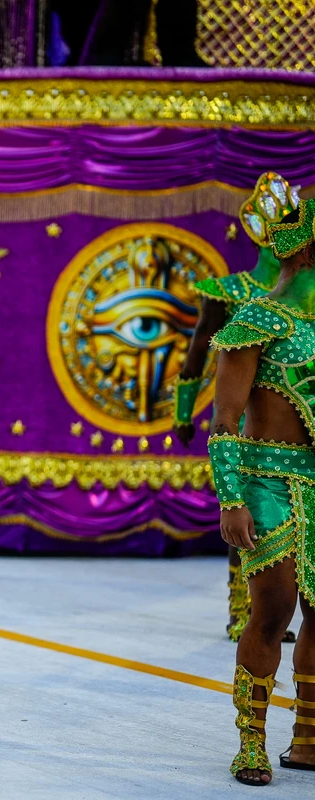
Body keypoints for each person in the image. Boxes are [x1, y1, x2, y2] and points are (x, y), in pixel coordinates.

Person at [208, 199, 315, 786]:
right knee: (272, 609)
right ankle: (251, 740)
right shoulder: (257, 318)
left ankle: (306, 740)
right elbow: (224, 421)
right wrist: (231, 499)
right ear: (302, 248)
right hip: (266, 478)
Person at [174, 172, 300, 642]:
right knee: (243, 503)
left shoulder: (304, 301)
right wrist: (183, 411)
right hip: (241, 418)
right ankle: (239, 607)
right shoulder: (229, 293)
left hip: (292, 424)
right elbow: (195, 355)